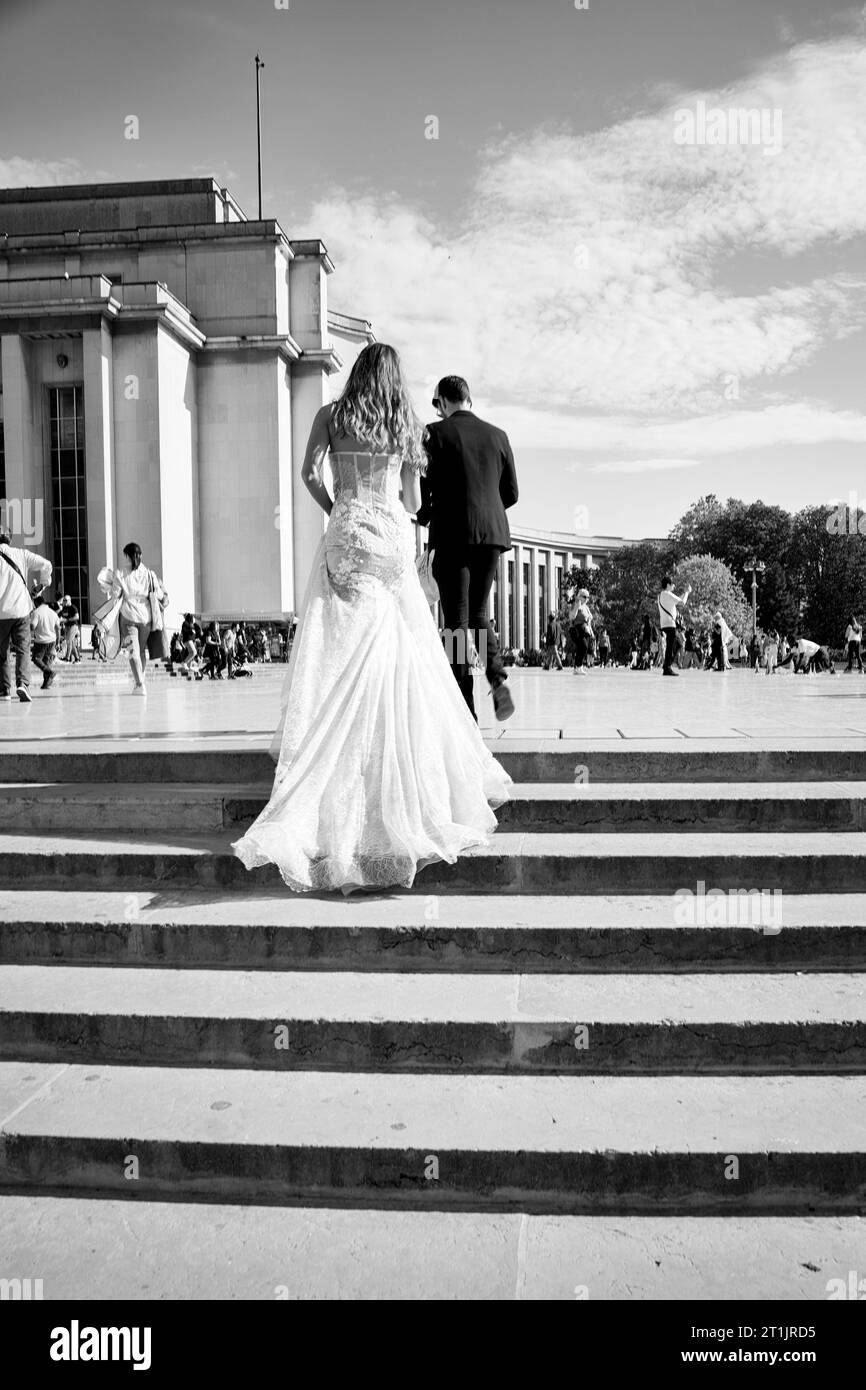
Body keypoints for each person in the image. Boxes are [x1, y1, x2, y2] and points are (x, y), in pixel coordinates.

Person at [233, 342, 511, 893]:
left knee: (340, 646)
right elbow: (410, 498)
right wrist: (394, 499)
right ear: (394, 378)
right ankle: (401, 773)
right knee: (403, 648)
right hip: (389, 534)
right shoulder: (405, 424)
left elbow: (310, 474)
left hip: (347, 528)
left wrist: (338, 505)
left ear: (358, 372)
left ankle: (330, 778)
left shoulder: (329, 416)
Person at [416, 374, 518, 722]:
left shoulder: (433, 434)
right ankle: (498, 678)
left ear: (443, 401)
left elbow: (424, 492)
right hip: (490, 535)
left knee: (456, 622)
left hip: (452, 534)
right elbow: (512, 494)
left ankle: (465, 707)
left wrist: (424, 515)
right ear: (468, 398)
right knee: (478, 613)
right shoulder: (498, 435)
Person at [100, 542, 169, 697]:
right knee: (141, 652)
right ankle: (140, 682)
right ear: (141, 555)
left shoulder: (120, 573)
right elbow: (158, 595)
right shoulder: (150, 574)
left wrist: (108, 585)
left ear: (127, 556)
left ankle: (139, 684)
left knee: (133, 652)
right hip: (146, 617)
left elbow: (116, 595)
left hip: (129, 615)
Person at [0, 529, 53, 703]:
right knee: (23, 648)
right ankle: (22, 683)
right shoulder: (22, 554)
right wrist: (43, 584)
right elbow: (46, 564)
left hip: (1, 612)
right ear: (10, 539)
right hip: (21, 610)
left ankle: (4, 689)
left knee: (2, 652)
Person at [657, 576, 691, 677]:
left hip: (664, 624)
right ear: (668, 585)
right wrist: (687, 592)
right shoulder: (667, 594)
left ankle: (667, 666)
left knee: (672, 645)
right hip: (670, 624)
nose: (674, 586)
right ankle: (667, 667)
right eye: (672, 584)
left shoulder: (661, 595)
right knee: (675, 644)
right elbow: (682, 602)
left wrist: (684, 593)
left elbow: (677, 600)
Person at [30, 596, 61, 691]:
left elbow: (32, 626)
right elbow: (58, 628)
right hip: (52, 640)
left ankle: (49, 672)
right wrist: (58, 642)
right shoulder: (53, 613)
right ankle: (46, 684)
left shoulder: (36, 612)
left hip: (41, 641)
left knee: (36, 659)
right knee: (47, 661)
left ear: (36, 603)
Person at [60, 596, 81, 663]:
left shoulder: (73, 607)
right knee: (71, 642)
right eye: (64, 600)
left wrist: (67, 620)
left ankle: (67, 657)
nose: (64, 601)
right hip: (67, 626)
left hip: (73, 626)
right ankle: (77, 658)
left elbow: (77, 617)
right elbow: (61, 616)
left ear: (70, 600)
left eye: (66, 600)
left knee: (69, 641)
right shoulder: (64, 608)